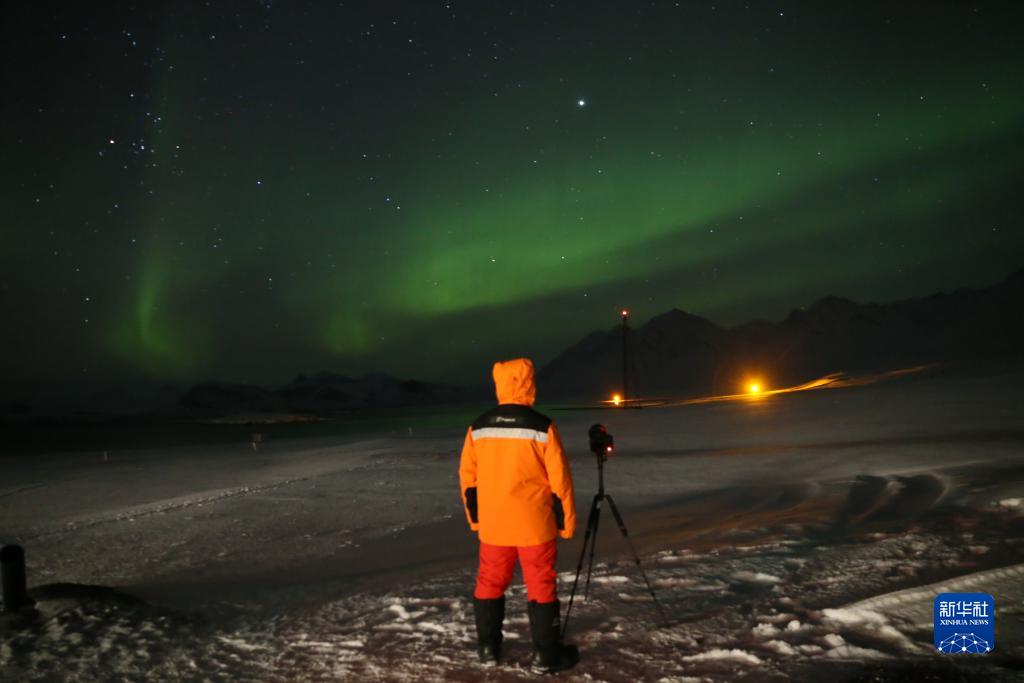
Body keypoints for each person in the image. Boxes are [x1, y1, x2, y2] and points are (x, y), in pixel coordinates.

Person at [459, 357, 579, 673]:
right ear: (529, 382)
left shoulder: (479, 427)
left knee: (489, 580)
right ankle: (545, 655)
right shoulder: (542, 427)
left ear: (499, 383)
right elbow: (559, 481)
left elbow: (468, 480)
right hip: (534, 524)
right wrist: (564, 523)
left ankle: (487, 649)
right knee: (540, 583)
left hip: (495, 524)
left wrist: (477, 519)